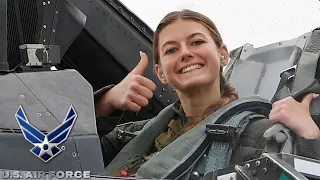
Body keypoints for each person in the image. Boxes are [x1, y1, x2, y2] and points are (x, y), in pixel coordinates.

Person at [94, 9, 320, 179]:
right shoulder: (138, 134)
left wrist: (310, 137)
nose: (185, 53)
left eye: (197, 42)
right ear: (160, 73)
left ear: (222, 55)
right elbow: (73, 157)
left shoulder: (260, 135)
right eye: (171, 49)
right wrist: (105, 104)